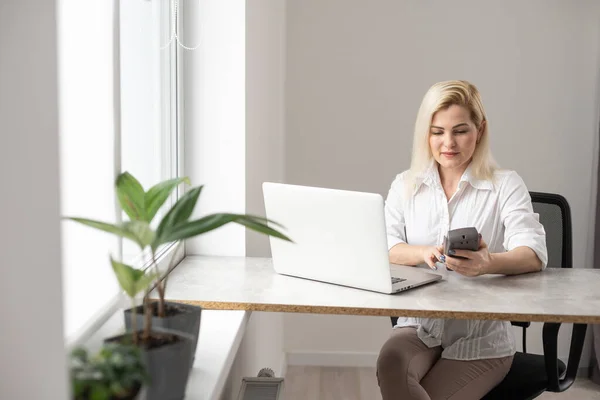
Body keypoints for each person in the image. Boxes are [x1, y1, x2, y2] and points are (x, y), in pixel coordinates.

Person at [376, 80, 548, 400]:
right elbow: (384, 246)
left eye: (460, 130)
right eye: (437, 131)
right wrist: (424, 252)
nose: (448, 143)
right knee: (390, 365)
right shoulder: (406, 185)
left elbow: (534, 253)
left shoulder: (505, 185)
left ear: (480, 130)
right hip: (419, 326)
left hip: (480, 338)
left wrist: (488, 263)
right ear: (424, 134)